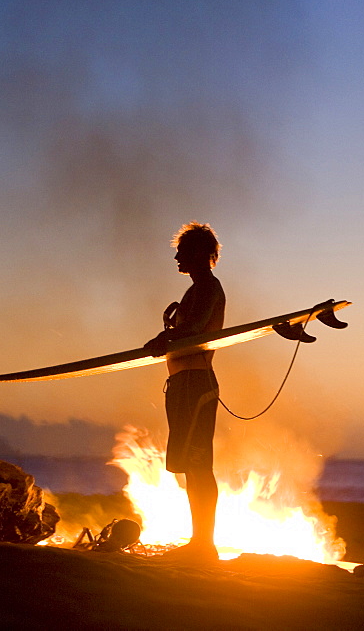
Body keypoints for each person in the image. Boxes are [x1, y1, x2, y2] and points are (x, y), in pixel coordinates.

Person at [144, 221, 225, 561]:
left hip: (195, 383)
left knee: (198, 464)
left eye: (182, 251)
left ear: (199, 254)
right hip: (183, 382)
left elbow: (194, 328)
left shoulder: (207, 285)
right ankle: (199, 542)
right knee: (190, 466)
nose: (177, 256)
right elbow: (188, 327)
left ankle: (204, 546)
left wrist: (167, 337)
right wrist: (168, 333)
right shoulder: (195, 289)